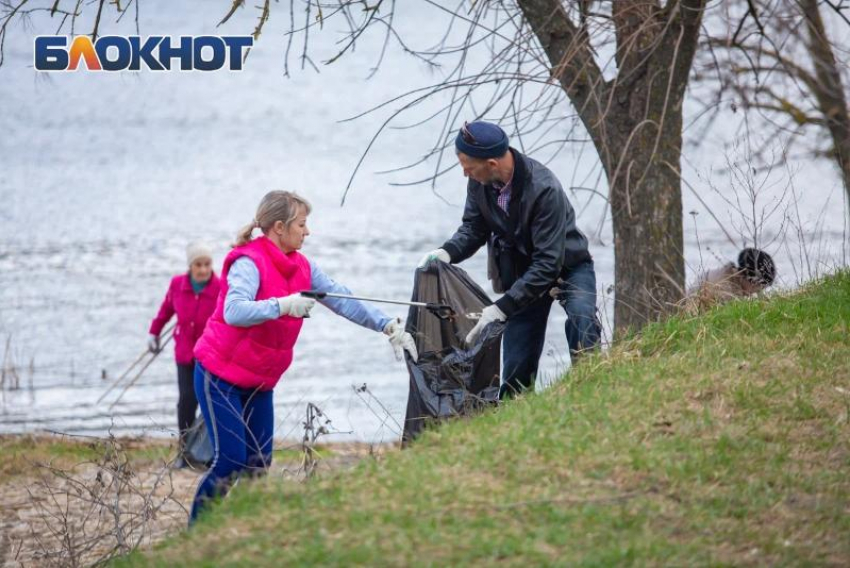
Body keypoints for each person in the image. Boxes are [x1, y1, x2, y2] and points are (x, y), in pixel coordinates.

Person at [190, 190, 417, 523]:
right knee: (230, 462)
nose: (307, 231)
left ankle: (241, 530)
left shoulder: (301, 267)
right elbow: (234, 310)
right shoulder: (248, 262)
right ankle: (196, 535)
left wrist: (386, 325)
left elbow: (343, 300)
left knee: (258, 464)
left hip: (258, 382)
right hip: (219, 377)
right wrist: (282, 305)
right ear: (279, 227)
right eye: (302, 224)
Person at [418, 121, 600, 399]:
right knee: (516, 367)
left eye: (467, 164)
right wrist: (446, 253)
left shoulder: (544, 188)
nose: (463, 171)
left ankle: (591, 390)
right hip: (521, 274)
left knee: (582, 319)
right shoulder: (479, 183)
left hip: (569, 266)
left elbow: (548, 263)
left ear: (491, 163)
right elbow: (473, 229)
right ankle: (516, 413)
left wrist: (502, 307)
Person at [148, 241, 220, 468]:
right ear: (190, 266)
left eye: (207, 264)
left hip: (210, 355)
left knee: (210, 403)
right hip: (185, 355)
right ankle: (185, 453)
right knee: (186, 402)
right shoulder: (177, 284)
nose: (203, 270)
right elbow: (166, 310)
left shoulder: (220, 288)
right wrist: (154, 332)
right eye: (198, 264)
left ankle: (210, 453)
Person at [686, 247, 776, 309]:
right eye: (758, 288)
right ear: (749, 279)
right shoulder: (725, 291)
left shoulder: (728, 274)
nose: (755, 292)